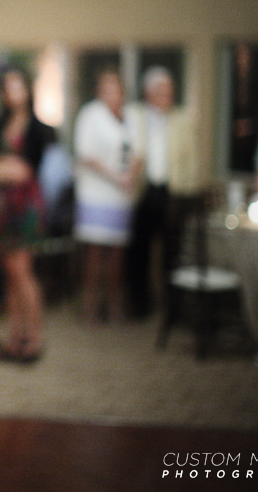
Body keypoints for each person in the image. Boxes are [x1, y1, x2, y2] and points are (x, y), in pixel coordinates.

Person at [0, 65, 55, 361]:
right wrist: (2, 169)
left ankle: (34, 339)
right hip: (1, 207)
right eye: (7, 88)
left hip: (25, 206)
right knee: (9, 275)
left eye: (18, 87)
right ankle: (15, 338)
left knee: (23, 273)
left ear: (27, 90)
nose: (12, 93)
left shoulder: (39, 127)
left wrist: (3, 168)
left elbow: (26, 172)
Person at [124, 66, 199, 320]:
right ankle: (139, 304)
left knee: (173, 253)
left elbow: (190, 159)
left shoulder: (182, 119)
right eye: (161, 90)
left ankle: (174, 309)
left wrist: (187, 191)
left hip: (171, 192)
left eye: (169, 90)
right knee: (138, 252)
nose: (166, 95)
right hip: (143, 192)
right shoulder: (134, 115)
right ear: (148, 92)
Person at [73, 68, 142, 324]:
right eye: (107, 88)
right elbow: (85, 153)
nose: (112, 93)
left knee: (116, 253)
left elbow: (137, 151)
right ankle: (90, 307)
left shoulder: (130, 116)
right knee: (95, 250)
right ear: (99, 90)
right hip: (95, 193)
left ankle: (113, 307)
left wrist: (130, 175)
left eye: (116, 88)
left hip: (122, 195)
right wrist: (115, 177)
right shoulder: (90, 114)